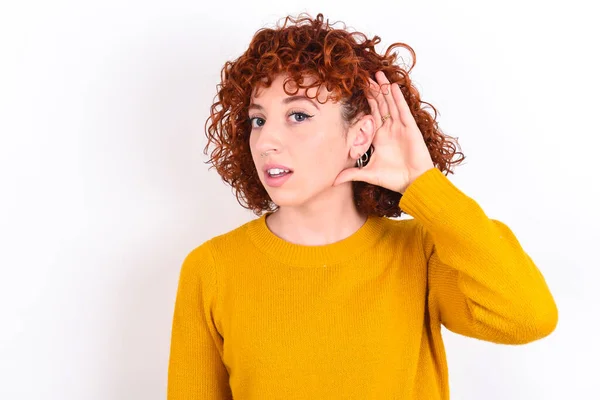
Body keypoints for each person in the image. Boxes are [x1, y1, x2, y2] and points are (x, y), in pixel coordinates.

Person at [167, 13, 558, 400]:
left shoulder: (421, 254)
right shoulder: (212, 268)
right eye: (257, 120)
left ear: (360, 135)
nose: (266, 140)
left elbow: (527, 316)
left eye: (298, 115)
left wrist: (424, 185)